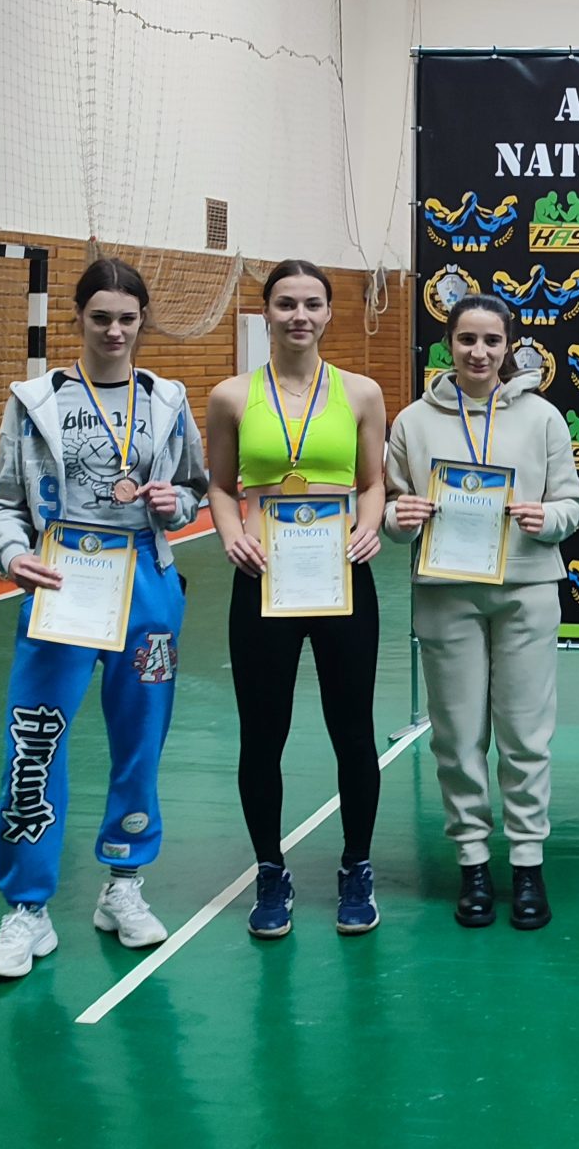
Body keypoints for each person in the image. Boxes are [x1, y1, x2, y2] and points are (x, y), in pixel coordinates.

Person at [0, 259, 209, 979]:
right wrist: (11, 554)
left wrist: (177, 504)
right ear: (77, 317)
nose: (114, 331)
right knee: (35, 741)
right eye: (101, 317)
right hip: (61, 580)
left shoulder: (166, 398)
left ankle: (124, 885)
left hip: (146, 585)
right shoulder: (35, 400)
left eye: (127, 319)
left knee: (140, 740)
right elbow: (1, 505)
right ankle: (27, 908)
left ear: (142, 322)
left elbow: (195, 488)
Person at [385, 294, 579, 930]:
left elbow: (573, 503)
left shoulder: (543, 418)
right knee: (456, 735)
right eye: (467, 339)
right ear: (448, 344)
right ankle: (472, 862)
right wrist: (399, 517)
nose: (478, 352)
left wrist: (545, 517)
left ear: (508, 347)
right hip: (446, 591)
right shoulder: (413, 421)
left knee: (526, 735)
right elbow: (389, 507)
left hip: (527, 588)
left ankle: (527, 863)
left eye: (491, 341)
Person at [205, 260, 389, 939]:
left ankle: (356, 866)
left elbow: (373, 481)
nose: (299, 316)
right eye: (286, 304)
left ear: (329, 312)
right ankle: (270, 870)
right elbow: (219, 484)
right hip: (263, 576)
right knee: (262, 733)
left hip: (341, 575)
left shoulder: (362, 392)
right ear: (267, 313)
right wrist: (232, 536)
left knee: (353, 731)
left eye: (312, 303)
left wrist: (369, 524)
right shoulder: (231, 395)